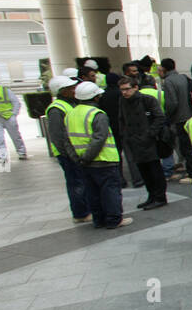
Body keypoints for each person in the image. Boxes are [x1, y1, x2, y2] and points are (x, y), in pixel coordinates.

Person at [63, 81, 131, 229]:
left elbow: (67, 139)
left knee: (93, 193)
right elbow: (99, 138)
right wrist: (88, 156)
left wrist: (78, 158)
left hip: (83, 162)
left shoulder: (70, 114)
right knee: (110, 191)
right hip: (104, 160)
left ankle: (98, 220)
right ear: (95, 97)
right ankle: (114, 219)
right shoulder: (97, 114)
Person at [117, 76, 169, 210]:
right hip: (134, 142)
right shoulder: (123, 101)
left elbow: (159, 117)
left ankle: (159, 197)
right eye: (122, 90)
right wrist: (126, 135)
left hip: (149, 142)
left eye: (127, 89)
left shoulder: (147, 100)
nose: (124, 92)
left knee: (154, 170)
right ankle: (151, 196)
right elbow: (122, 119)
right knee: (144, 171)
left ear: (135, 87)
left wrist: (150, 134)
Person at [45, 75, 89, 223]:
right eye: (71, 88)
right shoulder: (56, 109)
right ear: (62, 91)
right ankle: (81, 213)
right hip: (67, 155)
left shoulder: (70, 104)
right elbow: (57, 136)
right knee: (76, 183)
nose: (74, 89)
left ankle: (84, 209)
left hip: (75, 151)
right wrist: (69, 154)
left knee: (80, 181)